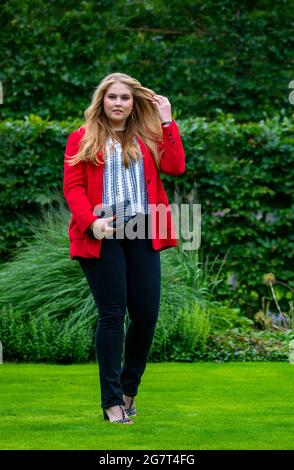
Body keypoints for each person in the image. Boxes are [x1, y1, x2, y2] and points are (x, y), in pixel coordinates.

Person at [63, 72, 185, 424]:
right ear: (102, 100)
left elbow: (176, 167)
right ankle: (112, 402)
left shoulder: (149, 136)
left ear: (134, 103)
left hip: (143, 230)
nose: (118, 103)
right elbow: (72, 188)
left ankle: (130, 391)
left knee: (146, 316)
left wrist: (166, 119)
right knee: (113, 315)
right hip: (102, 231)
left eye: (125, 98)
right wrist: (92, 223)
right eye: (112, 97)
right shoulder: (82, 138)